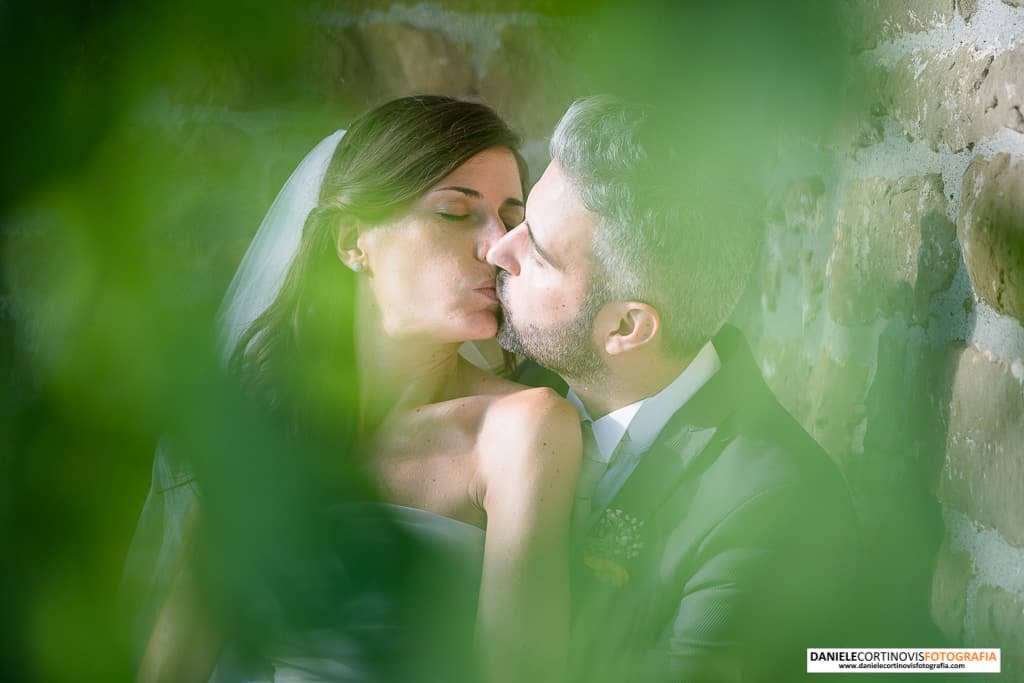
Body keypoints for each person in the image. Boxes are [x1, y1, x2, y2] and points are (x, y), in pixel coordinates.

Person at [130, 95, 581, 683]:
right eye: (455, 211)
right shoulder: (264, 424)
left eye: (509, 218)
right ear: (352, 241)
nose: (496, 245)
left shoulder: (521, 429)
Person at [487, 95, 863, 682]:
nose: (498, 249)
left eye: (537, 253)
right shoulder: (507, 389)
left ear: (626, 327)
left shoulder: (771, 508)